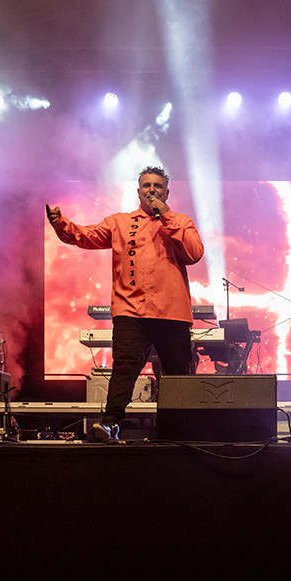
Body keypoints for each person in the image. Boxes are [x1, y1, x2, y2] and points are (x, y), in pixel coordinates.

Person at [47, 166, 204, 441]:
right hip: (131, 310)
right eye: (146, 186)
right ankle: (110, 423)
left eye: (157, 186)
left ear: (167, 192)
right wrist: (61, 224)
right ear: (138, 192)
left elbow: (195, 253)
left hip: (171, 312)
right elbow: (86, 235)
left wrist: (166, 216)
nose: (152, 190)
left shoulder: (180, 221)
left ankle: (180, 432)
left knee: (178, 375)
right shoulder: (119, 222)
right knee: (124, 368)